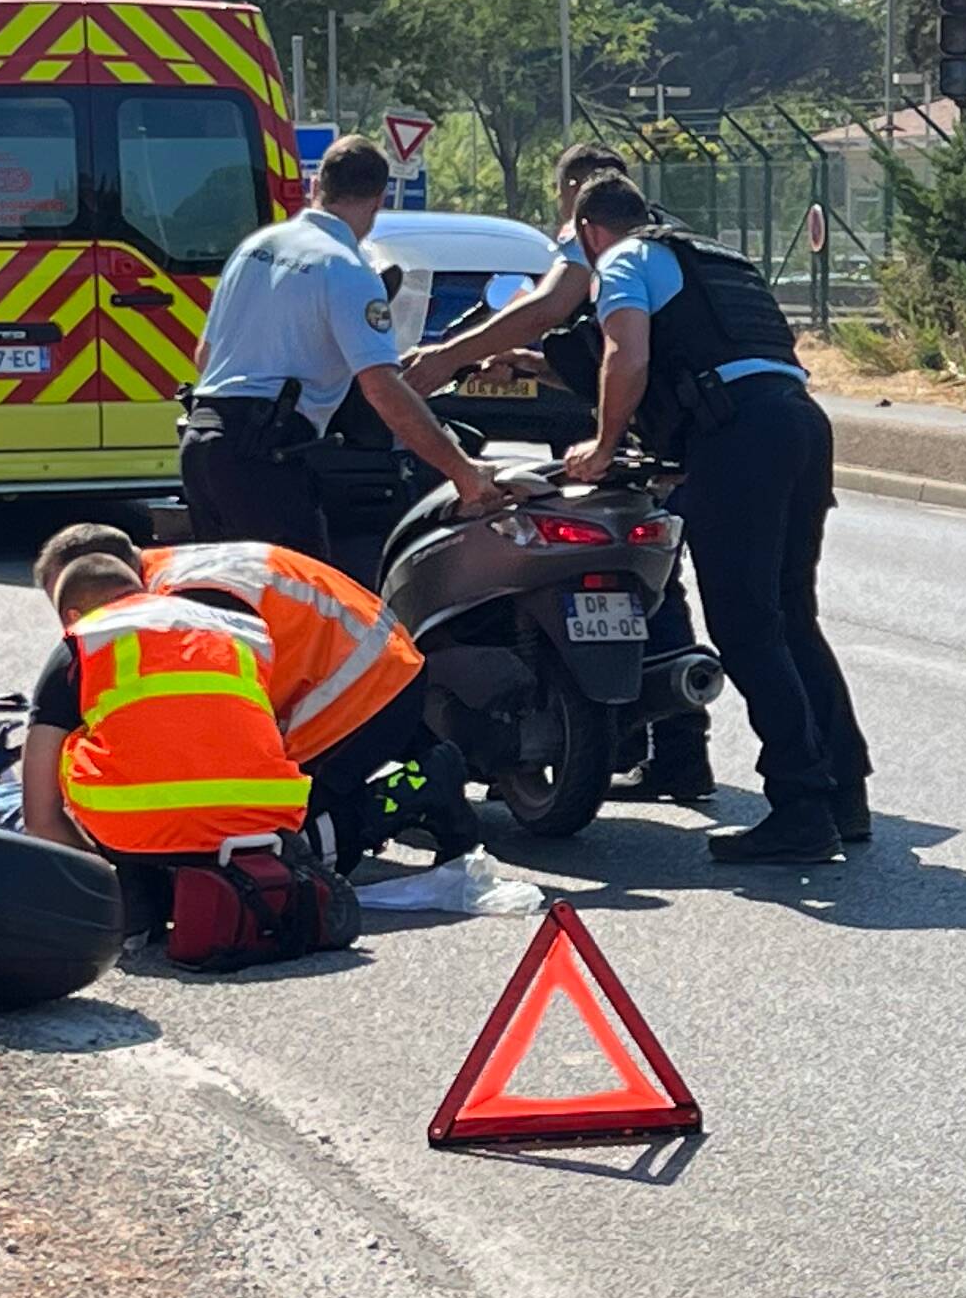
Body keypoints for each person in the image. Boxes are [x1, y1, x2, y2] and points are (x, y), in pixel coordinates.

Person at [556, 173, 870, 864]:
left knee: (745, 624)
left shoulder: (620, 260)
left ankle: (799, 808)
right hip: (799, 423)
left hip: (743, 435)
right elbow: (720, 360)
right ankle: (845, 791)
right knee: (792, 615)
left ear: (589, 232)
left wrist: (603, 445)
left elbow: (626, 354)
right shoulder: (713, 259)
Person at [402, 140, 711, 803]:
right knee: (652, 583)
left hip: (610, 428)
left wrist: (445, 357)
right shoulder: (670, 237)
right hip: (666, 428)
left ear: (578, 193)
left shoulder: (597, 240)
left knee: (553, 563)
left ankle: (587, 727)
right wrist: (533, 364)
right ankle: (680, 747)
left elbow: (548, 309)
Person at [31, 521, 479, 862]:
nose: (75, 629)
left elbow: (209, 722)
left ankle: (422, 787)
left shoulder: (185, 604)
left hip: (362, 694)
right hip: (361, 675)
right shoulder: (170, 578)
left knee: (275, 847)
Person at [183, 135, 498, 561]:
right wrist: (463, 472)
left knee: (227, 604)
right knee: (300, 606)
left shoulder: (255, 247)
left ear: (317, 184)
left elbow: (206, 356)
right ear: (377, 200)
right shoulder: (347, 268)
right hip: (264, 456)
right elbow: (382, 390)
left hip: (202, 443)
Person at [18, 551, 320, 920]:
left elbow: (39, 817)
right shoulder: (237, 629)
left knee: (68, 746)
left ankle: (137, 882)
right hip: (266, 815)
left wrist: (102, 869)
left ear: (73, 616)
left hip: (136, 829)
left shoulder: (82, 641)